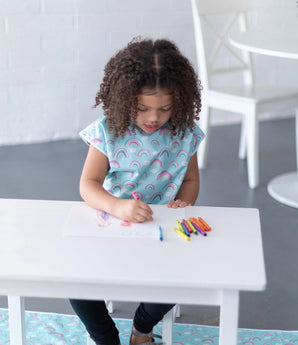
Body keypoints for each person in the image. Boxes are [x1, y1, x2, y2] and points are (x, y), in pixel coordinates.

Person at [69, 37, 204, 345]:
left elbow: (191, 180)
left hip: (161, 232)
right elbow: (87, 184)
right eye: (142, 108)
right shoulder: (108, 131)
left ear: (179, 102)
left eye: (165, 109)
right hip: (110, 226)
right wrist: (117, 206)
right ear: (123, 98)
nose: (154, 118)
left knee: (184, 280)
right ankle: (106, 338)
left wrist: (185, 202)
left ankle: (142, 329)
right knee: (75, 283)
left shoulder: (184, 133)